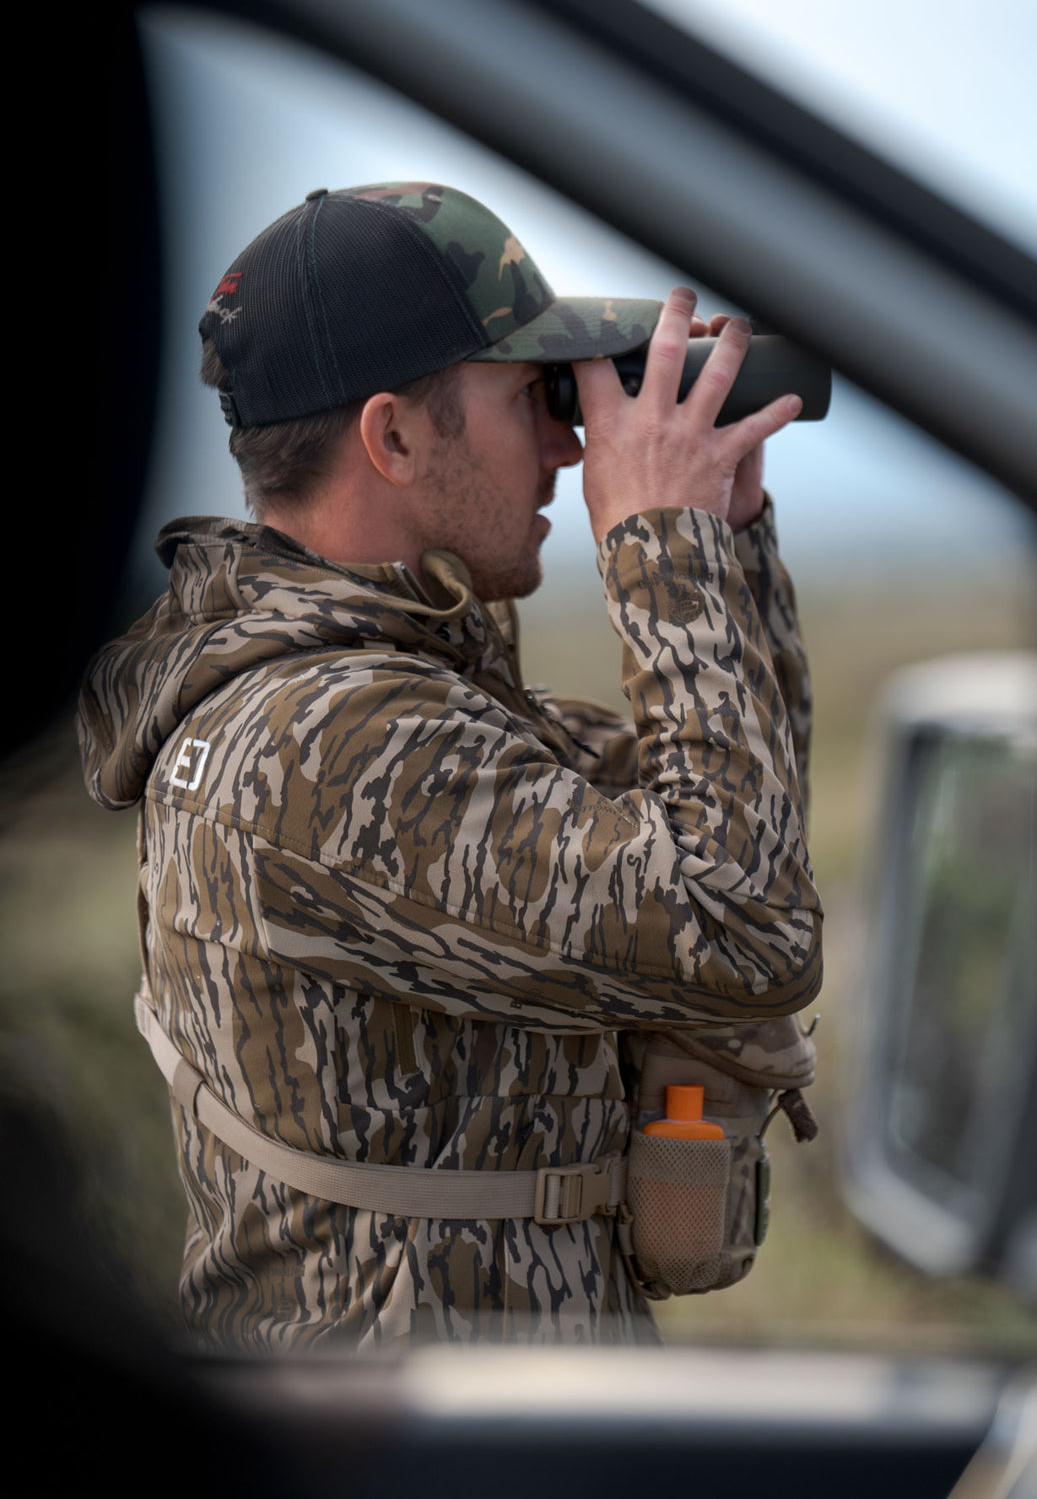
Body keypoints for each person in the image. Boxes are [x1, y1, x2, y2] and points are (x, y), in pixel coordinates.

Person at [77, 181, 822, 1349]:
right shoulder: (328, 746)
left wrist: (721, 540)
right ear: (395, 437)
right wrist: (657, 548)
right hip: (412, 1444)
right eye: (535, 398)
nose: (572, 447)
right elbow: (746, 931)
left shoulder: (400, 698)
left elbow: (747, 834)